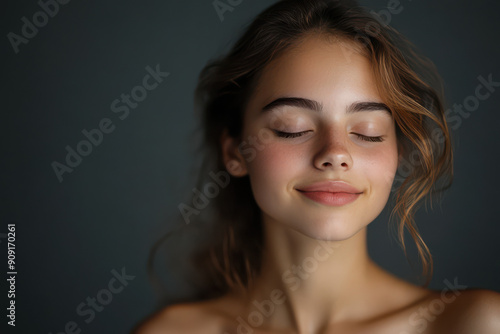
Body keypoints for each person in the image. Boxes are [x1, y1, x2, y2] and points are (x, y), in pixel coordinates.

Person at [134, 0, 500, 333]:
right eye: (292, 128)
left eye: (368, 132)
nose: (335, 153)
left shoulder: (475, 324)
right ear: (236, 152)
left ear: (399, 153)